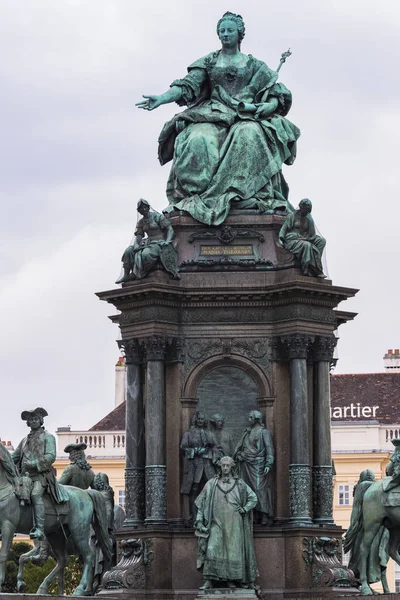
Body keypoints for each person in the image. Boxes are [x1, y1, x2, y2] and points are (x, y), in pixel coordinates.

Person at [136, 12, 300, 226]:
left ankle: (240, 194)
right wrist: (163, 98)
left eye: (229, 30)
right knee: (197, 138)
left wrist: (266, 106)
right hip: (212, 114)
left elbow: (277, 94)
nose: (225, 34)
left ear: (239, 34)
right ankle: (196, 199)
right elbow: (186, 85)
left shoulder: (253, 65)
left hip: (244, 117)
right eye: (221, 31)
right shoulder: (210, 61)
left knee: (249, 134)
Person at [195, 456, 258, 590]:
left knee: (233, 552)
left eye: (227, 465)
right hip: (216, 523)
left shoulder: (240, 484)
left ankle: (232, 580)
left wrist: (245, 509)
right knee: (211, 549)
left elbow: (253, 498)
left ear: (232, 467)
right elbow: (201, 503)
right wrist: (199, 520)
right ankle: (208, 580)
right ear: (219, 467)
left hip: (235, 524)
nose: (224, 468)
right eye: (222, 465)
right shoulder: (211, 483)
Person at [12, 407, 68, 540]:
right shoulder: (24, 440)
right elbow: (14, 456)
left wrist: (34, 464)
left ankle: (39, 528)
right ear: (28, 423)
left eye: (36, 419)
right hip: (24, 477)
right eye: (31, 419)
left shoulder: (48, 437)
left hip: (41, 476)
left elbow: (50, 456)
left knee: (35, 495)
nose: (33, 421)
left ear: (41, 420)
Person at [344, 470, 390, 594]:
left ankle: (363, 583)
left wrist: (352, 529)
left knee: (368, 554)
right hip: (369, 529)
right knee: (372, 555)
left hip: (365, 528)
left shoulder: (363, 487)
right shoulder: (369, 488)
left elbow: (356, 514)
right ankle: (363, 582)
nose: (370, 477)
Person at [116, 198, 179, 283]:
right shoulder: (141, 222)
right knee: (128, 251)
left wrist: (167, 241)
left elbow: (170, 229)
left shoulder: (157, 216)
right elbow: (139, 235)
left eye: (145, 207)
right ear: (139, 211)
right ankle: (126, 275)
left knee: (146, 254)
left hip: (159, 242)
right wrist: (136, 244)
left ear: (148, 207)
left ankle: (139, 274)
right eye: (141, 208)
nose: (144, 209)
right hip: (147, 243)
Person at [234, 410, 274, 525]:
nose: (249, 420)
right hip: (246, 464)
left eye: (251, 418)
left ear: (257, 419)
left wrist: (268, 463)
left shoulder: (264, 432)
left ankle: (264, 514)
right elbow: (240, 448)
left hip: (258, 464)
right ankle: (254, 515)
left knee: (259, 489)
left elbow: (269, 448)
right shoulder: (247, 432)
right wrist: (239, 455)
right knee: (247, 490)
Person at [180, 412, 221, 522]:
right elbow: (183, 449)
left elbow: (217, 448)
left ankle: (211, 516)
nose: (200, 421)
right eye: (199, 419)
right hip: (195, 465)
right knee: (194, 489)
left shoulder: (210, 433)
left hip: (208, 465)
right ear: (195, 419)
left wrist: (215, 456)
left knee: (212, 489)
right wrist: (197, 451)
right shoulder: (189, 434)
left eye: (202, 419)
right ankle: (193, 516)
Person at [279, 198, 326, 278]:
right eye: (305, 209)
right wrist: (280, 240)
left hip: (304, 239)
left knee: (321, 241)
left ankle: (316, 265)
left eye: (308, 210)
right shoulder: (292, 216)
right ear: (301, 207)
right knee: (307, 245)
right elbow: (283, 229)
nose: (306, 211)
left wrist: (311, 238)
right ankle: (309, 269)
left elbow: (312, 235)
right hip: (292, 239)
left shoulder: (308, 219)